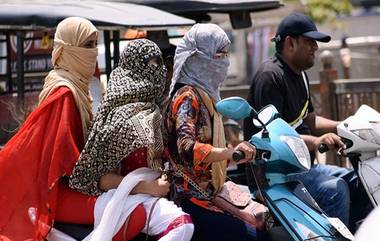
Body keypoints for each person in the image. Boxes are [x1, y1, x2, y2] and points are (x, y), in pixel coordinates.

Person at [0, 17, 144, 241]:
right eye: (87, 45)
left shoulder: (75, 87)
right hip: (61, 194)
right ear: (67, 48)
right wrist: (129, 183)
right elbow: (73, 164)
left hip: (76, 187)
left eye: (94, 45)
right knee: (137, 216)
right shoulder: (65, 93)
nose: (94, 53)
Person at [243, 12, 369, 229]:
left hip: (305, 170)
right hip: (276, 179)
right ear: (290, 43)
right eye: (310, 42)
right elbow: (272, 137)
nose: (316, 48)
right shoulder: (270, 77)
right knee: (335, 189)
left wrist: (347, 126)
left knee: (360, 182)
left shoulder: (300, 75)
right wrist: (315, 142)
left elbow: (310, 119)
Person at [69, 39, 194, 241]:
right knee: (182, 226)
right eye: (153, 65)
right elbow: (104, 179)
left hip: (154, 195)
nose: (160, 71)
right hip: (126, 198)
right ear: (135, 67)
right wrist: (148, 187)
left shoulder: (155, 109)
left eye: (160, 64)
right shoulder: (119, 116)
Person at [165, 23, 267, 241]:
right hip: (191, 197)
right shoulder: (187, 97)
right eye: (218, 55)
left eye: (226, 55)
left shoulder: (206, 96)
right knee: (251, 236)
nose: (225, 62)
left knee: (266, 221)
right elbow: (186, 147)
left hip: (212, 191)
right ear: (197, 58)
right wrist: (228, 153)